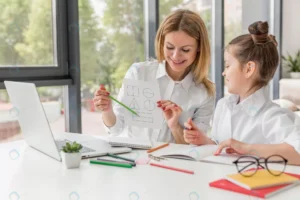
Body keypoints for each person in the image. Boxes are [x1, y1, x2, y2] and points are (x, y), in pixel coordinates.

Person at [183, 21, 300, 165]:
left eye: (227, 65)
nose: (223, 72)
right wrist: (204, 140)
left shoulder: (271, 116)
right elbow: (222, 146)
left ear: (249, 69)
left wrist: (247, 148)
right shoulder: (223, 106)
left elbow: (298, 152)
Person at [93, 9, 215, 144]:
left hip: (171, 163)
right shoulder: (138, 73)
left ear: (199, 48)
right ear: (162, 43)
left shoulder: (204, 92)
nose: (175, 56)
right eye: (169, 47)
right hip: (132, 160)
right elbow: (116, 130)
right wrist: (107, 110)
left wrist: (175, 126)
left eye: (185, 50)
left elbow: (195, 147)